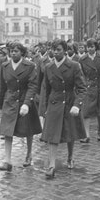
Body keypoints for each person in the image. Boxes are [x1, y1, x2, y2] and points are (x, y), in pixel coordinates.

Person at [40, 39, 87, 179]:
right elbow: (46, 90)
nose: (56, 52)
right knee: (52, 136)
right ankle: (51, 165)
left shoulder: (74, 66)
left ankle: (70, 156)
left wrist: (77, 105)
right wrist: (44, 109)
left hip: (69, 102)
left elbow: (82, 88)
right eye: (54, 49)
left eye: (59, 49)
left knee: (69, 132)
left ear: (65, 50)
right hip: (54, 103)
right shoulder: (48, 67)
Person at [0, 42, 42, 171]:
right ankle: (7, 160)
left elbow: (33, 86)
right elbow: (3, 87)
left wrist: (27, 104)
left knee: (28, 130)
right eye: (11, 51)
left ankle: (28, 155)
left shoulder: (30, 66)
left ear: (22, 53)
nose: (13, 53)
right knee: (7, 131)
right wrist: (0, 106)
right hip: (10, 101)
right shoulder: (5, 66)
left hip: (24, 101)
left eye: (16, 51)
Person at [79, 38, 100, 142]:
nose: (90, 49)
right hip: (88, 87)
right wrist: (82, 85)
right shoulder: (83, 59)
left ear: (95, 47)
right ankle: (86, 135)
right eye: (88, 47)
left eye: (92, 46)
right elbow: (81, 74)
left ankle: (99, 130)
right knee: (86, 111)